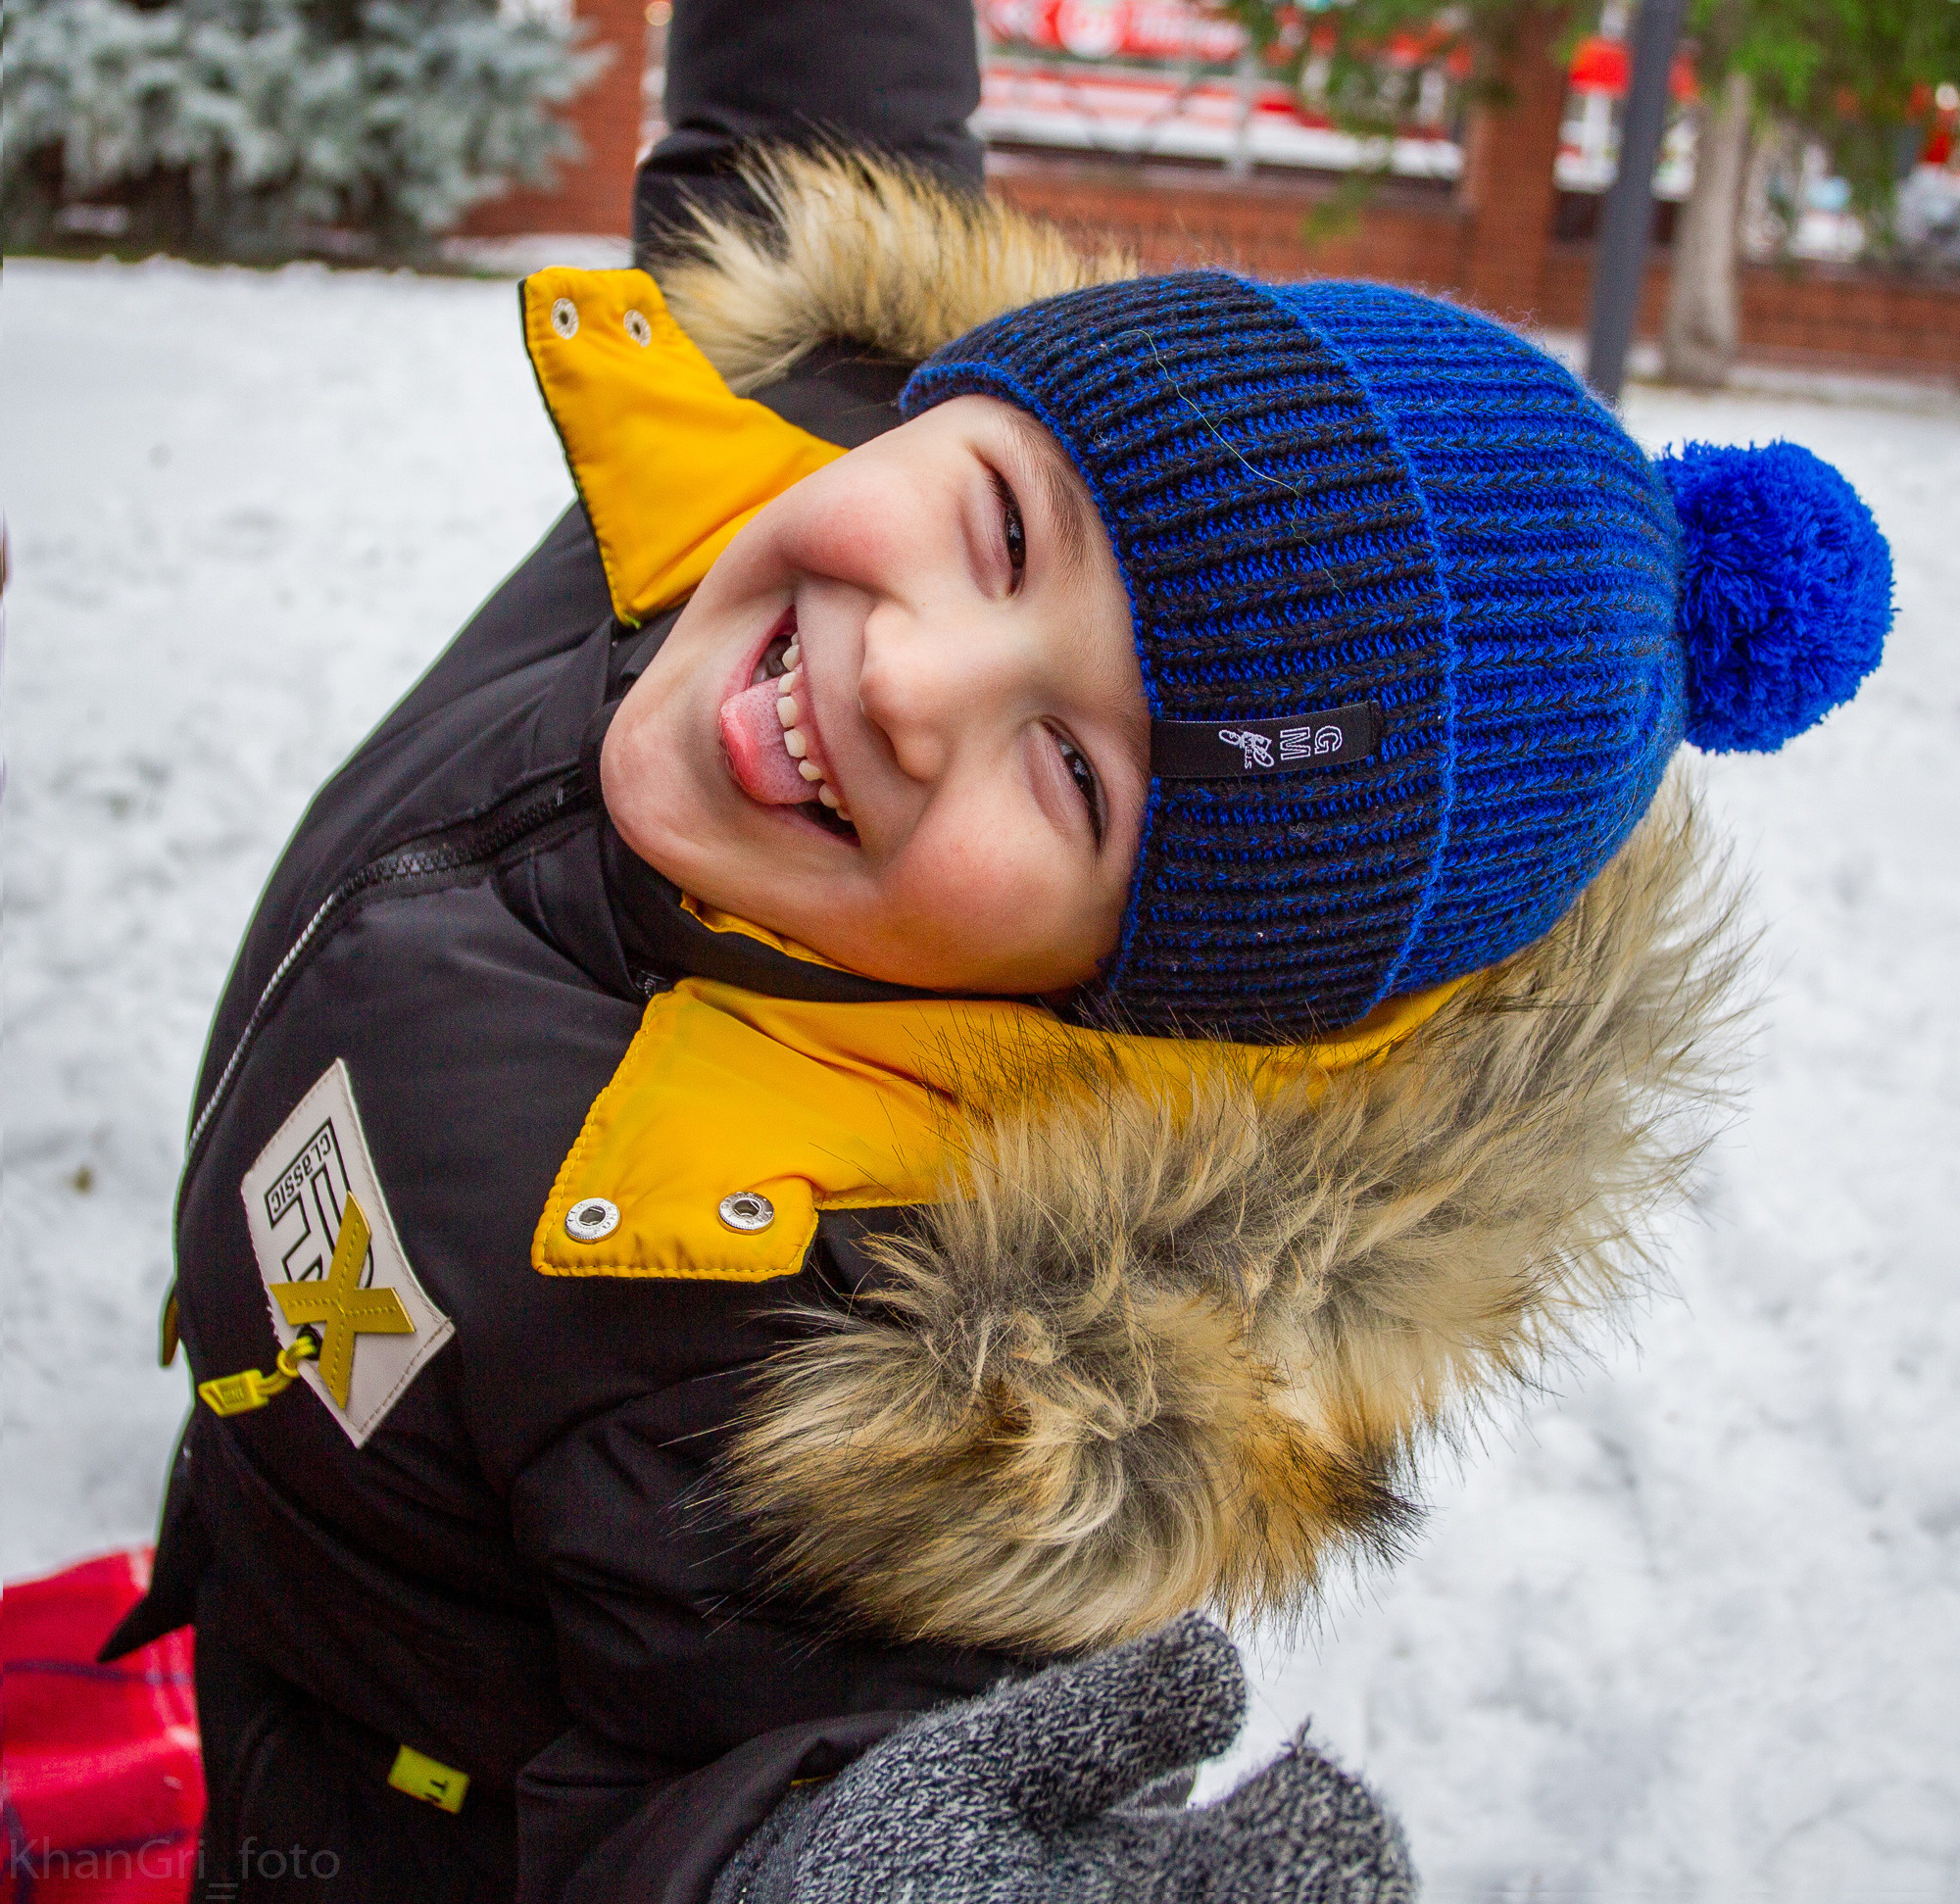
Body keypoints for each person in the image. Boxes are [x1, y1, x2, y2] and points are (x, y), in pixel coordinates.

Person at [101, 4, 1892, 1900]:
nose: (908, 670)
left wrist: (822, 1868)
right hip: (287, 1488)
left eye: (1076, 779)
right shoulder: (755, 447)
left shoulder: (859, 1371)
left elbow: (764, 1773)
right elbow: (824, 78)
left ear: (1123, 1001)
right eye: (1004, 523)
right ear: (938, 392)